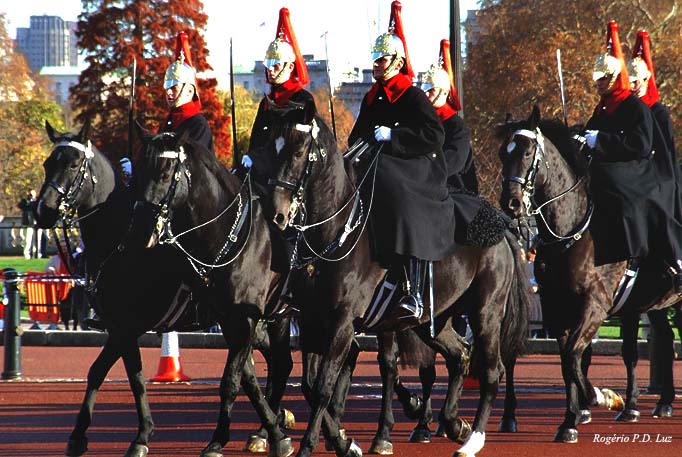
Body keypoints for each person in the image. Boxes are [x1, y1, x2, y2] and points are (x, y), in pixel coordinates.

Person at [347, 1, 458, 325]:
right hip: (379, 164)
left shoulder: (413, 96)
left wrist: (392, 136)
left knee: (397, 190)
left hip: (418, 167)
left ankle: (413, 289)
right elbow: (357, 136)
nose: (376, 65)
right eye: (375, 59)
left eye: (381, 60)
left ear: (397, 61)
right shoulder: (373, 97)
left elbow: (433, 135)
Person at [583, 21, 682, 293]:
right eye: (597, 77)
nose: (599, 82)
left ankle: (662, 257)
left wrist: (600, 141)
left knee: (625, 191)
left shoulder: (640, 108)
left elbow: (642, 145)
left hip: (650, 170)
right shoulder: (603, 108)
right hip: (621, 166)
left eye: (604, 77)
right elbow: (591, 131)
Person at [240, 7, 314, 188]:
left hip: (287, 177)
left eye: (276, 66)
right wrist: (250, 157)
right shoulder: (267, 102)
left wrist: (258, 159)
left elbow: (294, 147)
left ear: (290, 67)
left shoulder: (302, 100)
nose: (270, 70)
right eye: (269, 66)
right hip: (261, 170)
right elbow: (256, 140)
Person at [420, 39, 478, 194]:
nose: (426, 96)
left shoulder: (457, 127)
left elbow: (453, 161)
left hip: (453, 189)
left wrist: (422, 173)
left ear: (444, 93)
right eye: (424, 91)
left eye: (431, 91)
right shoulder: (420, 122)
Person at [160, 31, 214, 154]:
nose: (169, 93)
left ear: (189, 91)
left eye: (174, 88)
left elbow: (194, 159)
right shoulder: (168, 122)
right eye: (167, 88)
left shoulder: (198, 124)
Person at [17, 189, 37, 259]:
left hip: (34, 223)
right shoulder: (25, 201)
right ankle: (27, 254)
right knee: (27, 239)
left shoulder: (36, 202)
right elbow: (20, 206)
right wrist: (27, 200)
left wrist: (33, 199)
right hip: (27, 223)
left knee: (36, 240)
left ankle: (35, 253)